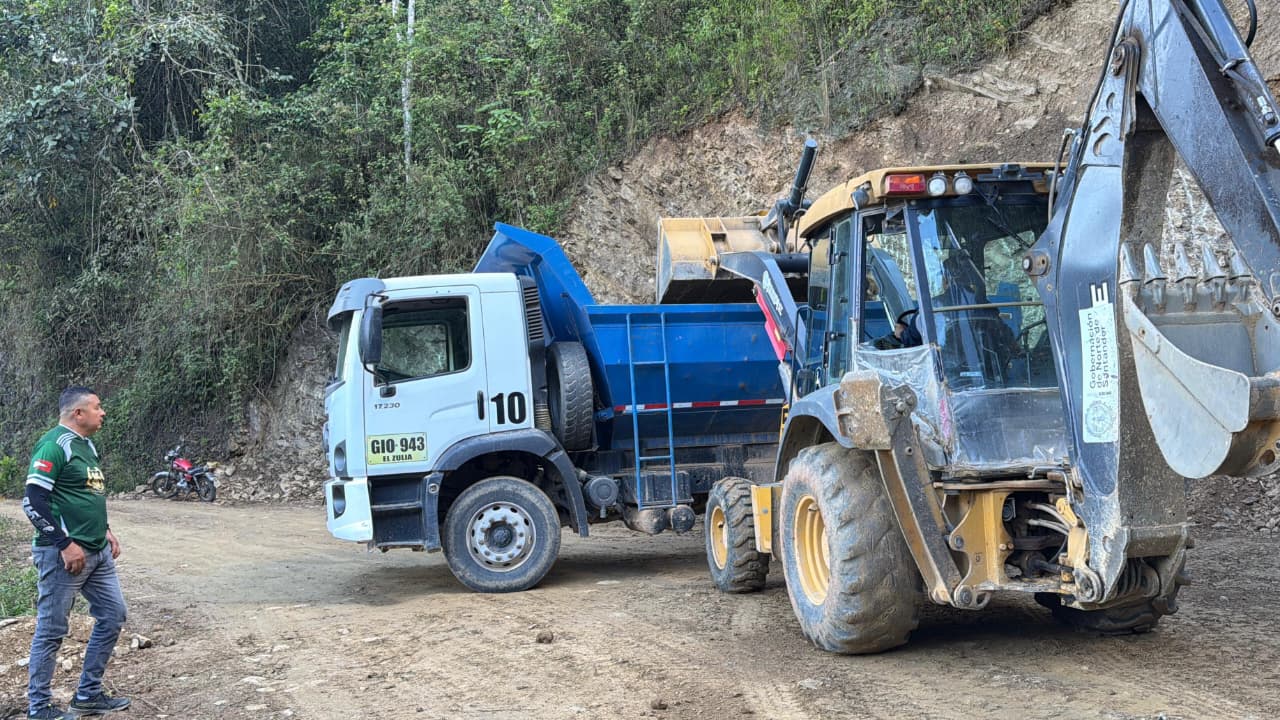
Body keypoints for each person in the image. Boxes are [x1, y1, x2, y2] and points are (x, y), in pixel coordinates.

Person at [21, 387, 130, 719]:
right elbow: (33, 501)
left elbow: (87, 494)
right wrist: (64, 544)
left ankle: (88, 695)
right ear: (78, 414)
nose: (103, 412)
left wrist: (106, 529)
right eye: (97, 407)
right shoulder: (55, 445)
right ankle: (39, 709)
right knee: (52, 631)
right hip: (63, 558)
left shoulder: (87, 445)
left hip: (97, 554)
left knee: (113, 616)